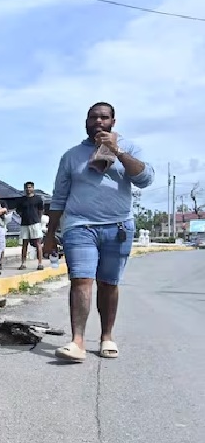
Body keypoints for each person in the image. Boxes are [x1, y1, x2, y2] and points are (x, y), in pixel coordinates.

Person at [43, 102, 154, 362]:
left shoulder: (130, 147)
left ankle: (107, 336)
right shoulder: (71, 155)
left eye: (104, 117)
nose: (98, 122)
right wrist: (50, 235)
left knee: (108, 283)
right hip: (79, 226)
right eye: (93, 117)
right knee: (81, 280)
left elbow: (145, 179)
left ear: (113, 122)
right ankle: (77, 341)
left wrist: (116, 150)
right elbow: (59, 197)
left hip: (118, 227)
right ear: (86, 121)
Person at [15, 181, 45, 270]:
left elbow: (41, 210)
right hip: (24, 224)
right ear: (24, 189)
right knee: (25, 244)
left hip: (35, 223)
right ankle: (23, 263)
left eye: (30, 187)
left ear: (33, 188)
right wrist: (23, 216)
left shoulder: (38, 199)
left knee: (38, 243)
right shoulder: (21, 200)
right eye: (26, 187)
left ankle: (40, 263)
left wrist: (38, 220)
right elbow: (18, 211)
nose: (28, 189)